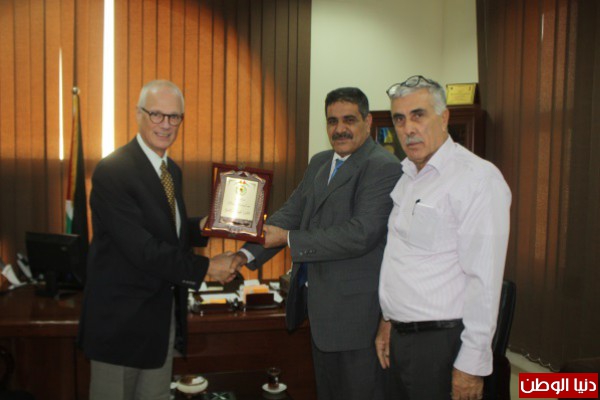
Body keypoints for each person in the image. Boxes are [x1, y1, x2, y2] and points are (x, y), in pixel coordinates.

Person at [231, 87, 403, 400]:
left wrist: (289, 239)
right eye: (332, 121)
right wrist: (243, 255)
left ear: (368, 122)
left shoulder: (383, 166)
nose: (339, 129)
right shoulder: (321, 162)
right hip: (320, 312)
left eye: (349, 120)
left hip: (357, 318)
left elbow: (360, 234)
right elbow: (291, 213)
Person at [77, 80, 235, 400]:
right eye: (157, 114)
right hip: (120, 326)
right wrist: (206, 268)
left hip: (160, 321)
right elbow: (142, 249)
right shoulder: (113, 171)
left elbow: (166, 232)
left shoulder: (171, 171)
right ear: (138, 114)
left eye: (174, 116)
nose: (166, 124)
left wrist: (205, 226)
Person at [376, 75, 511, 400]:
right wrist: (388, 319)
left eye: (418, 115)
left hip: (443, 343)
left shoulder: (477, 179)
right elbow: (403, 260)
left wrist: (471, 366)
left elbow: (484, 281)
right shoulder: (408, 176)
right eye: (399, 119)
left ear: (444, 117)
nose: (408, 128)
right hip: (401, 338)